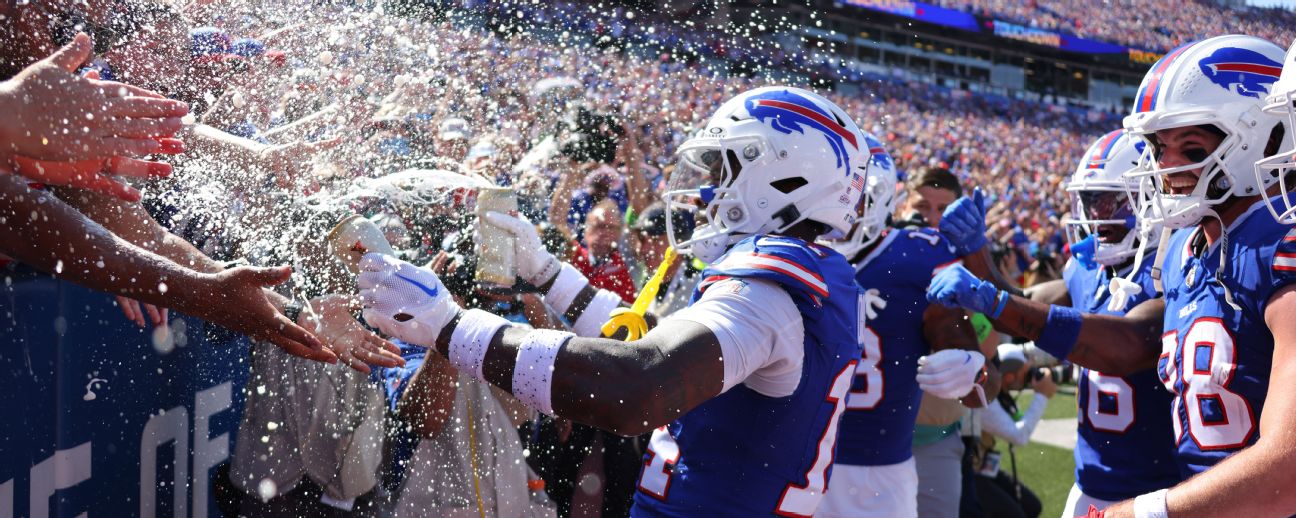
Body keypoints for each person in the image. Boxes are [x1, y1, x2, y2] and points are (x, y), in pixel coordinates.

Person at [358, 86, 867, 516]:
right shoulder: (803, 276)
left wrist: (450, 327)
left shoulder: (769, 284)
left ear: (784, 178)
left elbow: (638, 382)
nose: (708, 190)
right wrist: (548, 273)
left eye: (725, 170)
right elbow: (648, 338)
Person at [928, 35, 1296, 517]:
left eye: (1191, 146)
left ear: (1263, 137)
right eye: (1160, 147)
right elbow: (1131, 340)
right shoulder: (1189, 248)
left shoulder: (1279, 240)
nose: (1165, 166)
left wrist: (1140, 512)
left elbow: (1285, 468)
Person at [817, 136, 995, 518]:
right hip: (783, 455)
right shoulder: (782, 252)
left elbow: (986, 379)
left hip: (873, 470)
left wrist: (971, 372)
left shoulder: (917, 256)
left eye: (849, 194)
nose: (837, 207)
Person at [1056, 131, 1183, 516]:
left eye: (1109, 199)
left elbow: (1125, 345)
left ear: (1147, 197)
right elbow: (1031, 309)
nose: (1096, 214)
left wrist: (997, 300)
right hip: (1088, 483)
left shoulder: (1169, 268)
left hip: (1155, 488)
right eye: (1091, 201)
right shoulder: (1083, 271)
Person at [892, 165, 983, 518]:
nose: (932, 220)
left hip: (935, 437)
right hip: (865, 435)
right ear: (902, 206)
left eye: (943, 210)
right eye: (921, 208)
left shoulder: (967, 269)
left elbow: (984, 364)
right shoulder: (878, 255)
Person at [973, 344, 1051, 518]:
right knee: (1014, 515)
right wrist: (1042, 395)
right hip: (968, 473)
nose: (1029, 379)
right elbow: (1019, 436)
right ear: (1008, 377)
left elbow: (1017, 421)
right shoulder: (985, 396)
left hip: (982, 466)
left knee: (1032, 507)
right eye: (1025, 374)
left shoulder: (998, 392)